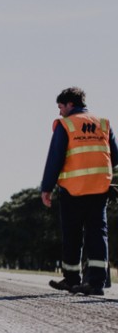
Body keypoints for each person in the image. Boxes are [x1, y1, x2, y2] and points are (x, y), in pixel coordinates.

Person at [42, 87, 118, 296]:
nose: (59, 112)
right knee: (97, 234)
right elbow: (115, 156)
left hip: (72, 189)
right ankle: (96, 282)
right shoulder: (103, 123)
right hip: (99, 188)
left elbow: (55, 158)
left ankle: (72, 279)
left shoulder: (66, 125)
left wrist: (46, 188)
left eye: (60, 107)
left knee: (72, 234)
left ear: (70, 105)